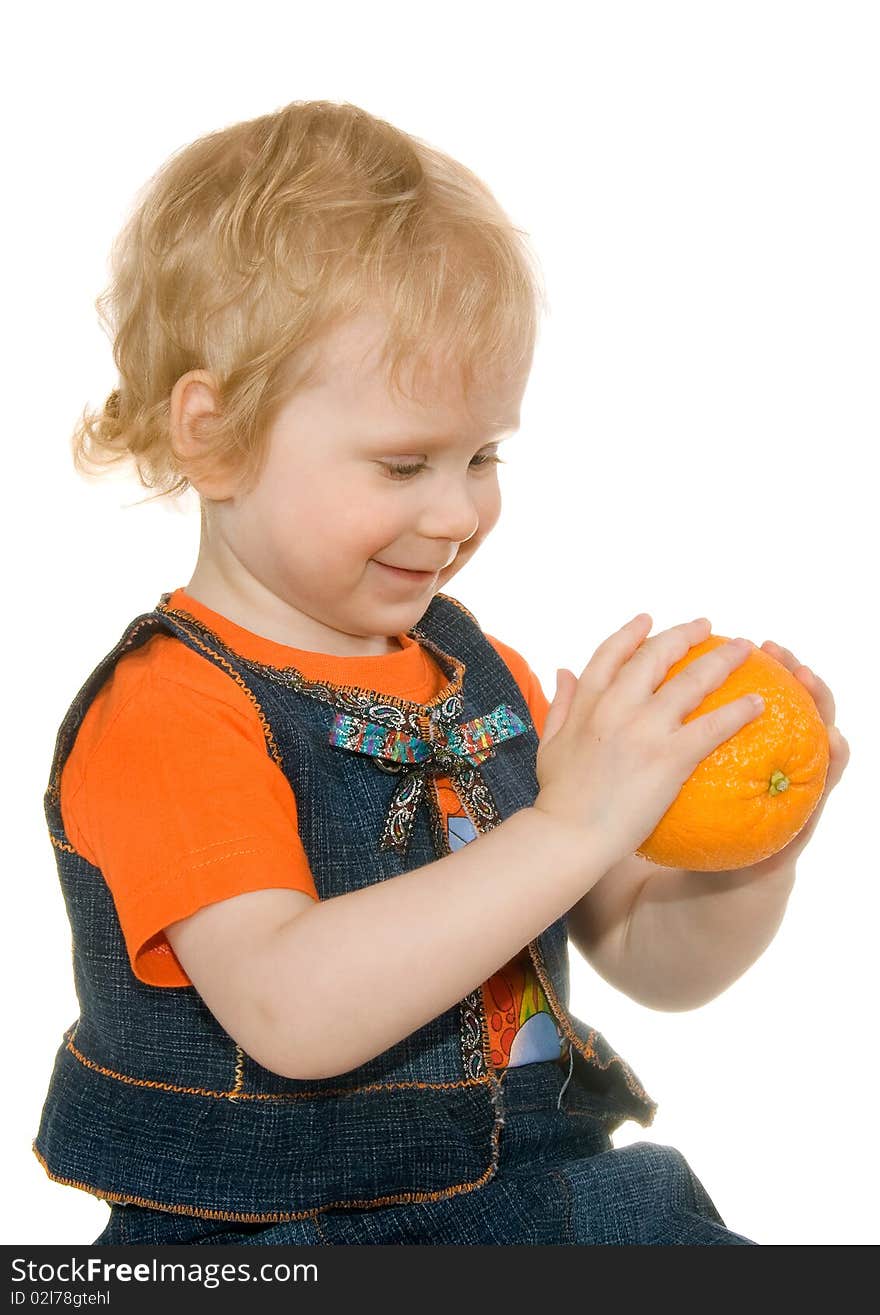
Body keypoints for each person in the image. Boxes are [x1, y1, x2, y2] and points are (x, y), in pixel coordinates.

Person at [33, 97, 771, 1246]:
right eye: (402, 462)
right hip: (282, 1240)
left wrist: (752, 840)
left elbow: (652, 956)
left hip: (548, 1200)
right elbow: (290, 1008)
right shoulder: (173, 712)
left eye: (483, 454)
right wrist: (569, 826)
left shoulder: (485, 679)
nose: (460, 508)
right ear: (213, 435)